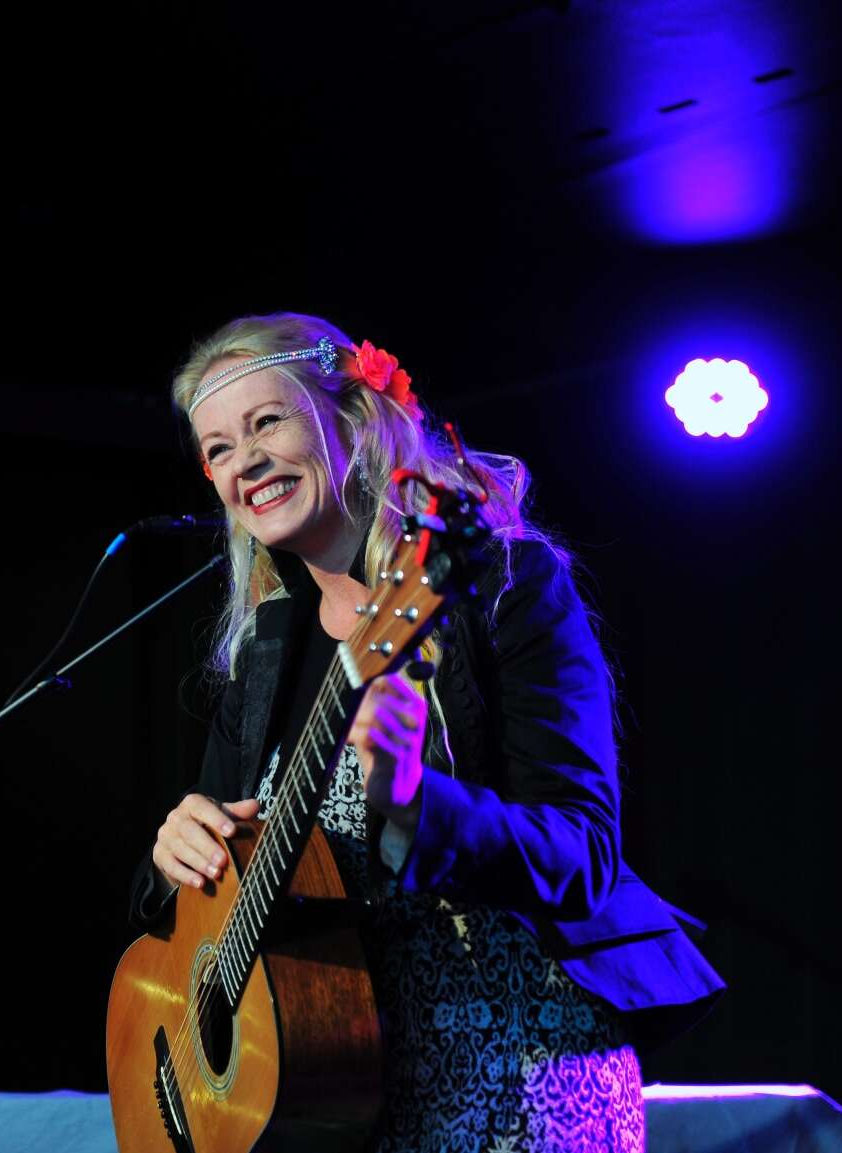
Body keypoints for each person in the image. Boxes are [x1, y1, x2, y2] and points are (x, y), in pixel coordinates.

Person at [127, 312, 724, 1151]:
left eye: (266, 422)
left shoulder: (506, 586)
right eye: (218, 448)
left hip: (517, 1062)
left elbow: (582, 853)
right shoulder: (266, 647)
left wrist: (414, 803)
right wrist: (171, 861)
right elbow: (207, 885)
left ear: (351, 419)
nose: (244, 461)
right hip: (333, 1078)